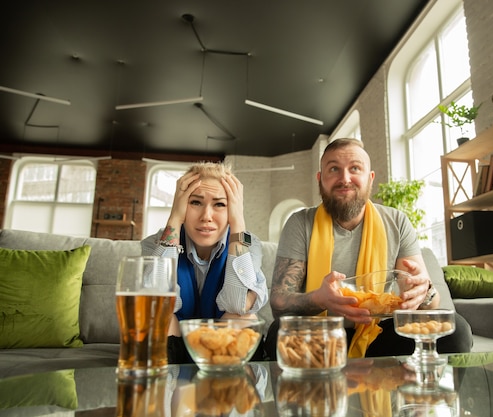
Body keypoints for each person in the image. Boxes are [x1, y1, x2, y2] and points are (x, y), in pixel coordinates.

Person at [265, 138, 472, 359]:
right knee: (279, 334)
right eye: (334, 169)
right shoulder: (300, 223)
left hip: (380, 335)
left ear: (370, 178)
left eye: (355, 168)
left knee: (455, 330)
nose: (345, 179)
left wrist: (424, 292)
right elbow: (279, 304)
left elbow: (426, 301)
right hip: (322, 337)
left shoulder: (396, 221)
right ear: (320, 179)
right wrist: (319, 299)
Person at [142, 161, 268, 363]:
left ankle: (227, 392)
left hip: (220, 345)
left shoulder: (248, 245)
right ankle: (165, 391)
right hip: (175, 343)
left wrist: (238, 224)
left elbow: (238, 305)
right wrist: (175, 218)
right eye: (195, 202)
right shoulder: (156, 244)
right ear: (182, 204)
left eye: (220, 204)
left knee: (243, 320)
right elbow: (154, 302)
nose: (206, 216)